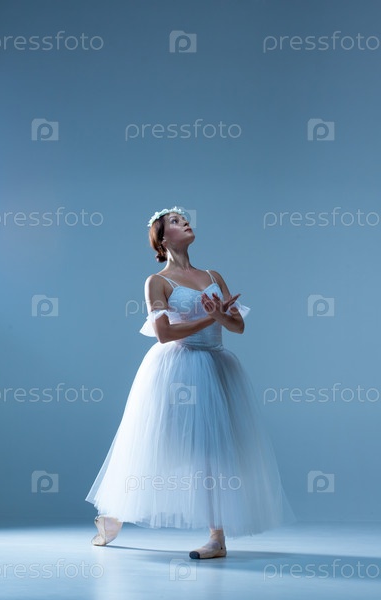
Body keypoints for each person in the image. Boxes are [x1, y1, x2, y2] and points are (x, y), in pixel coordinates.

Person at [85, 206, 296, 559]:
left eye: (185, 218)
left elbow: (238, 326)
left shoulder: (213, 275)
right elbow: (164, 334)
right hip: (177, 370)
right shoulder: (157, 282)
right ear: (162, 238)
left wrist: (221, 316)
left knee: (214, 451)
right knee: (158, 447)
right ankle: (115, 515)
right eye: (175, 221)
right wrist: (209, 318)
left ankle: (217, 538)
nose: (185, 222)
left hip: (216, 367)